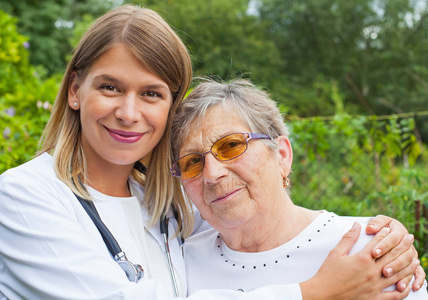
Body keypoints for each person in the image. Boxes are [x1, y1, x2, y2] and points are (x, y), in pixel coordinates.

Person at [0, 4, 424, 300]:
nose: (128, 113)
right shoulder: (22, 198)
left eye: (151, 93)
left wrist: (389, 242)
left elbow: (263, 222)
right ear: (75, 90)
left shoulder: (176, 205)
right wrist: (315, 293)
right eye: (110, 87)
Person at [170, 78, 428, 299]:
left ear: (282, 155)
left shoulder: (369, 251)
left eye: (231, 146)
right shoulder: (179, 263)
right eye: (192, 162)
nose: (212, 175)